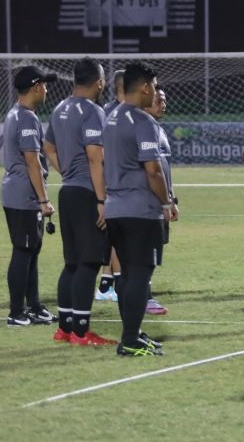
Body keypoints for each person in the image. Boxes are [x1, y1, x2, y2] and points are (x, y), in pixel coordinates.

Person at [43, 57, 116, 346]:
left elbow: (47, 146)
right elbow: (95, 157)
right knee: (88, 263)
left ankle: (65, 328)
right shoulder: (93, 112)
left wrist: (67, 171)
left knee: (71, 263)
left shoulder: (59, 108)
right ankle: (82, 333)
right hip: (88, 194)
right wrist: (102, 200)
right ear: (99, 82)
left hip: (67, 191)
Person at [103, 61, 171, 356]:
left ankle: (133, 333)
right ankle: (129, 340)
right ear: (144, 87)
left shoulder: (111, 117)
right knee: (141, 275)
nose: (154, 93)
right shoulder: (144, 122)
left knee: (126, 276)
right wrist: (167, 202)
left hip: (115, 208)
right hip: (140, 210)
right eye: (154, 87)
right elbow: (153, 171)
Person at [0, 65, 60, 327]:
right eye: (45, 85)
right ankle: (16, 312)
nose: (47, 89)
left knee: (32, 249)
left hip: (19, 192)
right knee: (23, 250)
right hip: (24, 194)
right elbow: (33, 162)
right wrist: (44, 199)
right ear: (36, 87)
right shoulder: (26, 118)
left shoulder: (16, 113)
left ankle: (34, 307)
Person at [143, 87, 178, 316]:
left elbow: (164, 169)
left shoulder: (157, 128)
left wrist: (172, 198)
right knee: (145, 253)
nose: (162, 103)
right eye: (158, 99)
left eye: (164, 100)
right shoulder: (143, 127)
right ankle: (143, 298)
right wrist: (164, 202)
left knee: (153, 251)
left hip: (161, 200)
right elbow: (152, 171)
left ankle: (142, 294)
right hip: (148, 203)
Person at [96, 67, 126, 302]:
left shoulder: (107, 111)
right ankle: (118, 282)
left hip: (109, 183)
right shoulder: (117, 115)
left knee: (113, 235)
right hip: (114, 184)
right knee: (119, 234)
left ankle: (107, 282)